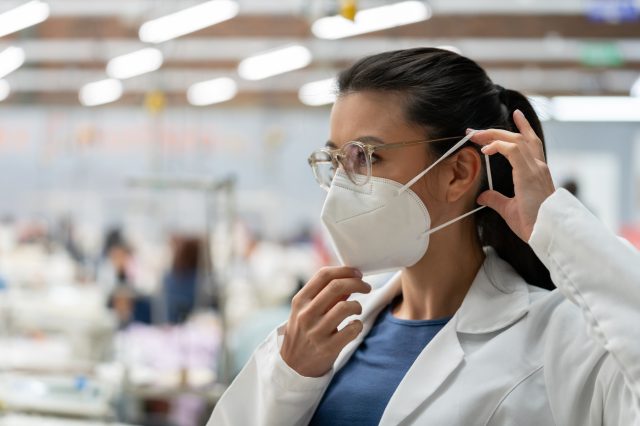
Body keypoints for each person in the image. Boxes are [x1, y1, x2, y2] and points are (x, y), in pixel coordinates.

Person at [207, 48, 640, 425]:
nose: (342, 183)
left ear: (457, 173)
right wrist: (288, 380)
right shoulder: (328, 332)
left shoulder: (561, 340)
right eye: (336, 158)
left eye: (366, 157)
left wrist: (557, 226)